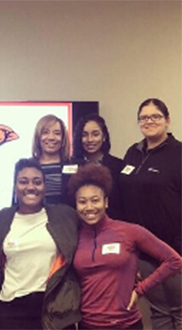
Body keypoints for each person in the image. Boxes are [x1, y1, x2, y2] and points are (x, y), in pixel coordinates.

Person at [69, 163, 182, 330]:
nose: (89, 207)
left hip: (126, 324)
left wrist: (140, 290)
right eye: (82, 202)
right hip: (88, 325)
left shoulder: (129, 231)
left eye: (95, 200)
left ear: (106, 202)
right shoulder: (74, 236)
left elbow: (174, 260)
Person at [0, 158, 80, 330]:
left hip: (54, 307)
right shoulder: (0, 219)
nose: (31, 187)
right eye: (23, 182)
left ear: (45, 187)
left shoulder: (65, 216)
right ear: (15, 187)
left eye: (37, 182)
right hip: (11, 309)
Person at [119, 98, 182, 330]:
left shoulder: (179, 154)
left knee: (178, 311)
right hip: (143, 251)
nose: (149, 121)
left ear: (167, 120)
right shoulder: (133, 153)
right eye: (144, 117)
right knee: (159, 312)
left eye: (155, 116)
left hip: (173, 250)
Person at [71, 114, 124, 219]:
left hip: (113, 224)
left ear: (104, 137)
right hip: (79, 226)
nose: (90, 140)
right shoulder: (70, 166)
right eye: (84, 135)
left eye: (95, 134)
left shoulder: (118, 166)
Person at [32, 114, 73, 205]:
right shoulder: (27, 166)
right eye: (45, 132)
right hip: (35, 218)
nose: (51, 137)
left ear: (63, 138)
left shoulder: (73, 165)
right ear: (38, 137)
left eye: (57, 133)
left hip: (66, 218)